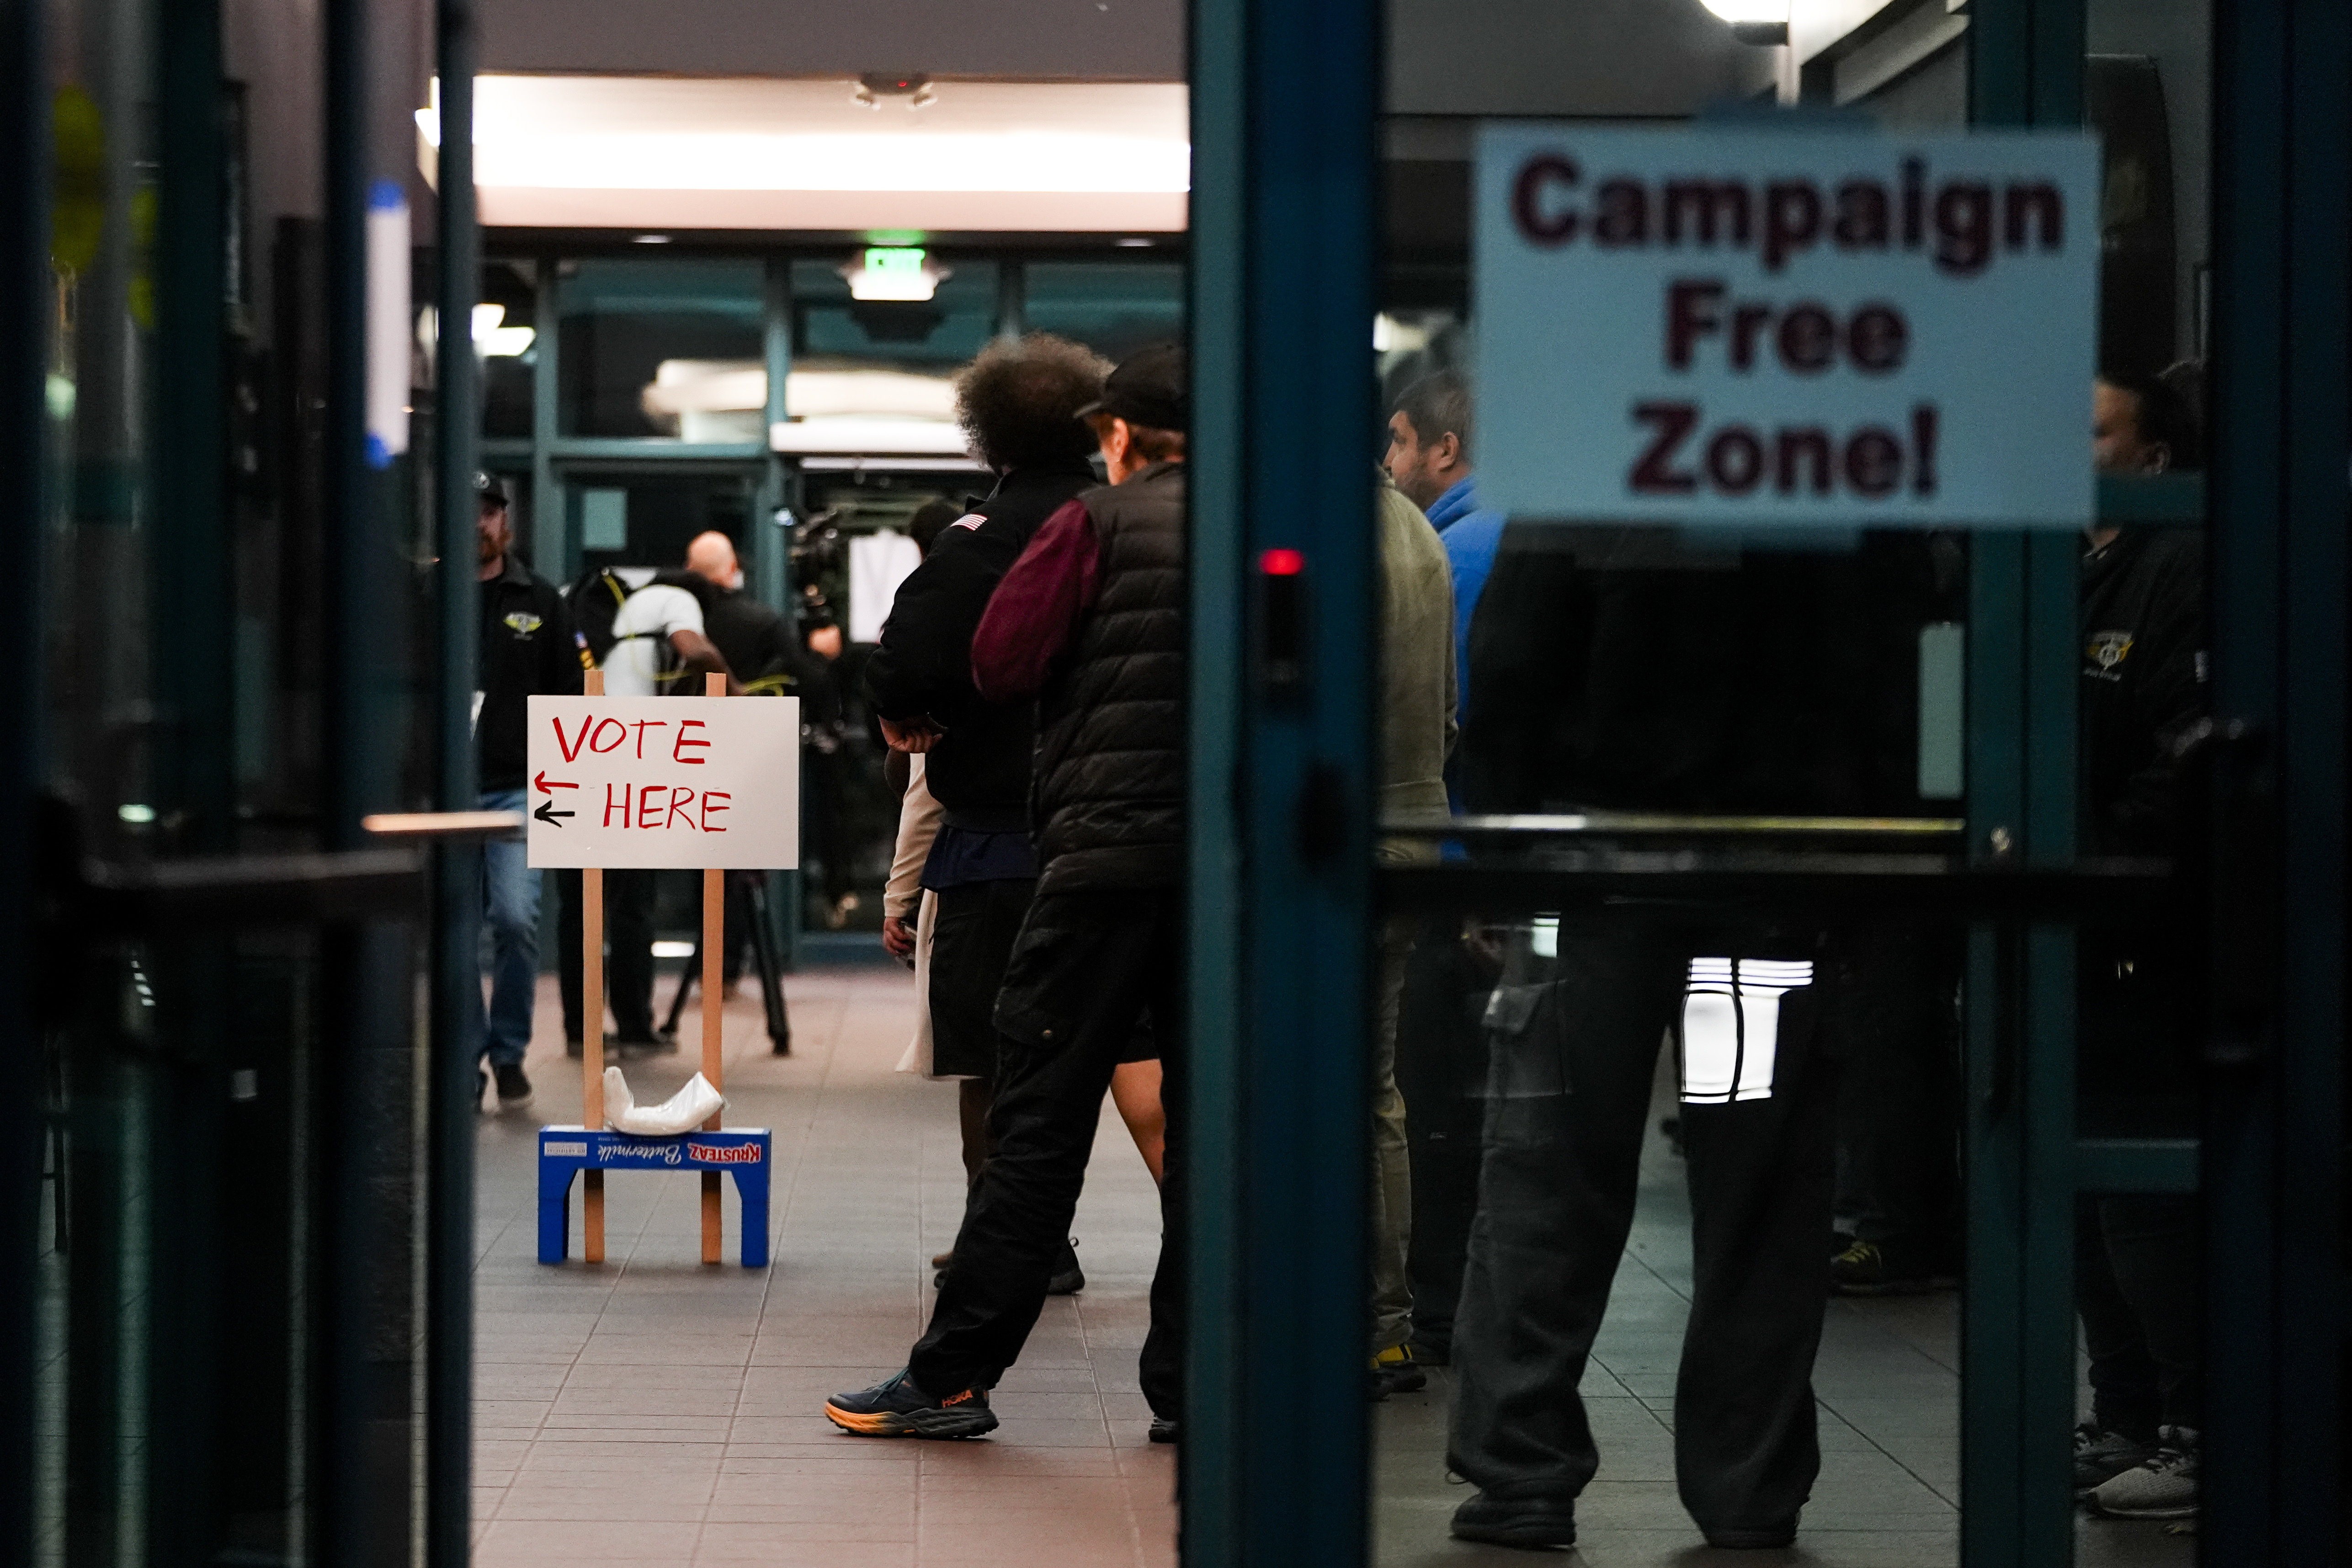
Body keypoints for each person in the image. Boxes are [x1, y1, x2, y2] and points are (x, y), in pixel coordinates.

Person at [1449, 519, 1942, 1550]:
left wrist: (1496, 858)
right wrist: (1870, 884)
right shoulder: (1832, 497)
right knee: (1756, 1186)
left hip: (1587, 882)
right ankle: (1745, 1483)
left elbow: (1507, 666)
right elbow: (1895, 681)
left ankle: (1521, 1471)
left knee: (1548, 1174)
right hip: (1768, 887)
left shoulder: (1591, 489)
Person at [825, 341, 1188, 1442]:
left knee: (1034, 1116)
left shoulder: (1087, 526)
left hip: (1089, 859)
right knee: (1208, 1122)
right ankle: (1194, 1384)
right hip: (1218, 869)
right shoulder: (1262, 527)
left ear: (1117, 433)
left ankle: (953, 1373)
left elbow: (994, 659)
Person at [861, 334, 1115, 1295]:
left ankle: (1010, 1242)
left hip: (998, 843)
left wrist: (911, 716)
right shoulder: (1121, 523)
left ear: (984, 436)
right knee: (1110, 1048)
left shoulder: (982, 541)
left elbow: (901, 660)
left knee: (990, 1051)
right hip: (1115, 833)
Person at [2072, 368, 2207, 1521]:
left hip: (2142, 926)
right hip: (2070, 917)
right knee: (2079, 1193)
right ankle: (2123, 1410)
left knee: (2140, 1198)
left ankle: (2192, 1426)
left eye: (2097, 428)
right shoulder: (2068, 564)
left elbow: (2177, 762)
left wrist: (2110, 863)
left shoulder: (2180, 570)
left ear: (2155, 456)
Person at [557, 565, 737, 1053]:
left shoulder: (581, 593)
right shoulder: (676, 600)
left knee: (579, 903)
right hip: (627, 758)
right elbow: (695, 649)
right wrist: (740, 697)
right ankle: (635, 1027)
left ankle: (580, 1030)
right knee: (631, 901)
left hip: (573, 752)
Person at [1368, 468, 1456, 1398]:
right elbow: (1446, 712)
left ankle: (1328, 1309)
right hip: (1410, 824)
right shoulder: (1416, 529)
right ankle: (1384, 1322)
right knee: (1374, 1089)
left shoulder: (1316, 529)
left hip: (1335, 833)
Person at [472, 473, 581, 1106]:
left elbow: (571, 691)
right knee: (457, 932)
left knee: (515, 919)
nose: (480, 523)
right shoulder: (430, 591)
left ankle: (508, 1051)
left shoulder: (539, 598)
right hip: (447, 792)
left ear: (504, 522)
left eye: (489, 512)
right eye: (469, 512)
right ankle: (466, 1062)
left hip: (518, 788)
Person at [682, 529, 827, 1001]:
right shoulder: (762, 620)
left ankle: (708, 961)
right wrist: (823, 660)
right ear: (730, 570)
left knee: (702, 867)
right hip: (747, 761)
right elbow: (805, 678)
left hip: (687, 758)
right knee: (742, 870)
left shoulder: (680, 625)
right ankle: (728, 965)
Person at [1384, 370, 1504, 730]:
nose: (1389, 460)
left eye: (1400, 441)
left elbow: (1437, 715)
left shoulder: (1453, 557)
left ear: (1445, 451)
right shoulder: (1499, 528)